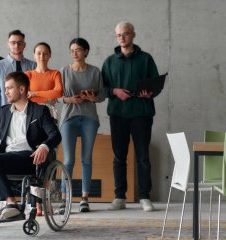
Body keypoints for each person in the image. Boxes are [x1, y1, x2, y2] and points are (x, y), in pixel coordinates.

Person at [0, 72, 61, 221]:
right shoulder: (4, 112)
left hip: (29, 158)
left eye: (9, 88)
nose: (5, 92)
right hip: (5, 157)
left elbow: (55, 135)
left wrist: (44, 146)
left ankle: (11, 204)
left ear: (22, 89)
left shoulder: (40, 111)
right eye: (5, 88)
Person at [101, 22, 160, 212]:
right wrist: (115, 91)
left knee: (143, 157)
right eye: (119, 35)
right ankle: (120, 197)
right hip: (118, 114)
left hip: (142, 114)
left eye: (125, 34)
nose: (122, 38)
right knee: (119, 157)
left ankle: (144, 197)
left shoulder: (146, 59)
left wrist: (149, 92)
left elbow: (156, 84)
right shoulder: (109, 61)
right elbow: (103, 88)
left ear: (133, 35)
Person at [58, 38, 106, 213]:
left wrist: (93, 98)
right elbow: (57, 95)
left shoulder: (95, 71)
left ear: (86, 51)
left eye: (78, 50)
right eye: (72, 50)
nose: (74, 53)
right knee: (69, 159)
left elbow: (102, 95)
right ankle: (65, 198)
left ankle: (85, 198)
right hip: (69, 116)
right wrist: (70, 99)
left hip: (89, 117)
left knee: (86, 158)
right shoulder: (63, 71)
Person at [25, 42, 63, 215]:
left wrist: (35, 95)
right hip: (32, 118)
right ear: (34, 55)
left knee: (50, 159)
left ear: (49, 56)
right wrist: (39, 96)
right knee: (35, 161)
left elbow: (58, 92)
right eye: (39, 53)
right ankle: (37, 203)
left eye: (45, 53)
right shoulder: (28, 75)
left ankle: (48, 202)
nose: (42, 56)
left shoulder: (55, 73)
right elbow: (25, 94)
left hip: (51, 118)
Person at [0, 29, 36, 122]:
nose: (16, 45)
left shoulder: (33, 66)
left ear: (24, 45)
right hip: (7, 116)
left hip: (29, 115)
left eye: (19, 43)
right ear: (8, 44)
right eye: (13, 42)